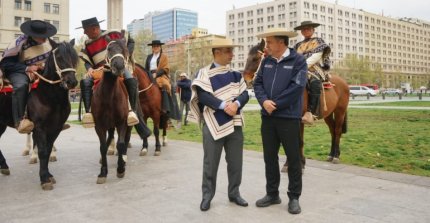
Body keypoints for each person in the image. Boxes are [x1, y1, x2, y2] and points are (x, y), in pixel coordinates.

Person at [189, 38, 249, 211]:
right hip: (212, 123)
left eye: (231, 50)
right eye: (228, 51)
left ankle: (234, 193)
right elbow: (203, 96)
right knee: (210, 163)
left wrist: (236, 104)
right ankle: (207, 196)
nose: (232, 54)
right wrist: (224, 106)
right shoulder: (204, 73)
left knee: (236, 162)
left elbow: (245, 94)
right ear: (217, 53)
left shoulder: (236, 74)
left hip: (235, 124)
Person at [253, 28, 307, 214]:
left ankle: (294, 197)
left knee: (293, 159)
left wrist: (274, 104)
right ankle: (272, 194)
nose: (266, 46)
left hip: (289, 118)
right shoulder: (266, 60)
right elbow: (257, 83)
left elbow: (297, 87)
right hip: (267, 119)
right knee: (270, 158)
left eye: (269, 42)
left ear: (281, 43)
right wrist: (264, 101)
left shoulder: (298, 61)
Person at [77, 17, 139, 128]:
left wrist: (126, 55)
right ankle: (88, 113)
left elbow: (131, 41)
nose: (85, 33)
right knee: (85, 82)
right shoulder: (87, 43)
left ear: (95, 29)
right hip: (98, 71)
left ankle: (132, 112)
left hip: (117, 67)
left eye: (86, 31)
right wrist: (89, 69)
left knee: (131, 80)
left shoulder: (114, 33)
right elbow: (87, 61)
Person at [0, 20, 57, 134]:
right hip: (19, 71)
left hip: (41, 72)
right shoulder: (19, 42)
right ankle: (20, 120)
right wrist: (27, 68)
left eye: (46, 35)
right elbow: (6, 64)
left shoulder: (49, 43)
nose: (45, 38)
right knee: (21, 85)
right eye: (42, 36)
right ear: (33, 35)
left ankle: (56, 119)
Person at [294, 21, 331, 125]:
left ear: (313, 30)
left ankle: (311, 112)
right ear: (301, 32)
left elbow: (316, 56)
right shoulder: (298, 45)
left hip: (314, 68)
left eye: (308, 29)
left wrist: (302, 67)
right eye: (303, 29)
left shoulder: (319, 41)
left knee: (314, 82)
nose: (306, 31)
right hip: (298, 68)